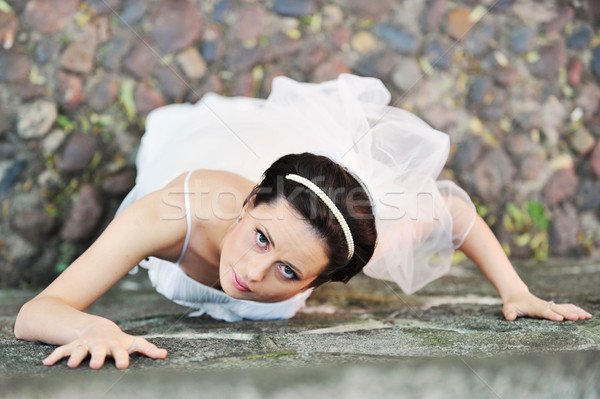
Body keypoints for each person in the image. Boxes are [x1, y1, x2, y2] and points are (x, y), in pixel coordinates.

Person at [14, 74, 591, 370]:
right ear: (247, 208)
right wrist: (91, 328)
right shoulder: (173, 213)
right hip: (216, 170)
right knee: (173, 140)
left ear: (318, 282)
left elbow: (452, 213)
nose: (251, 271)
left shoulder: (339, 247)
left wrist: (516, 292)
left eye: (288, 271)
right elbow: (35, 312)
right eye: (259, 237)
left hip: (301, 204)